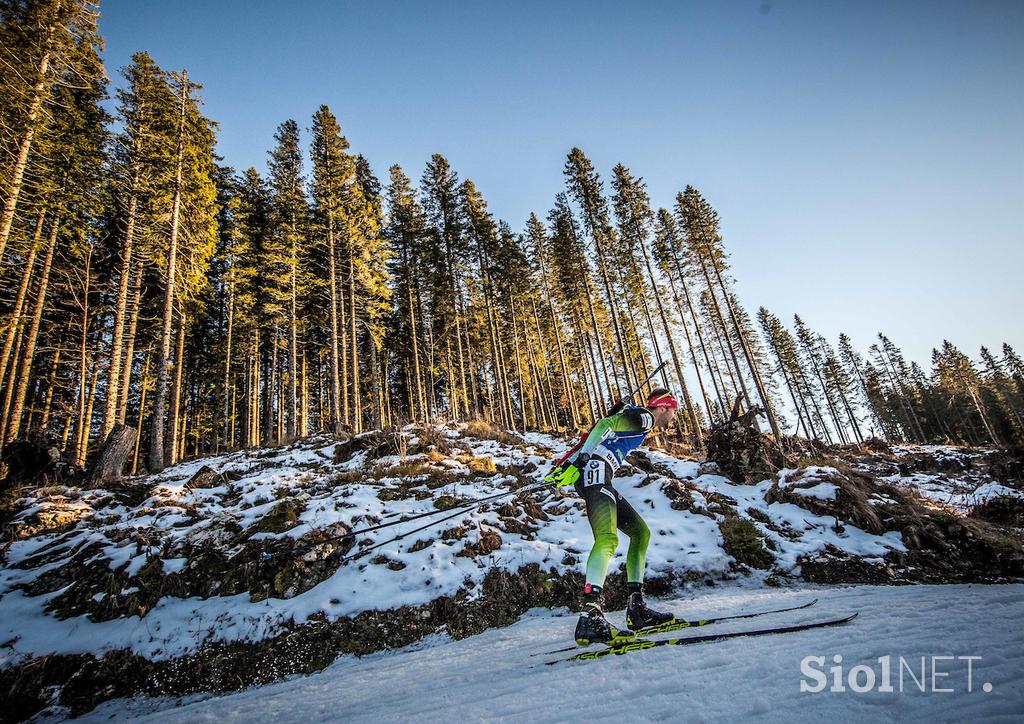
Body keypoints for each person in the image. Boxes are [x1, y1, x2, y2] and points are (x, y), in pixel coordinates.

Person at [546, 388, 680, 644]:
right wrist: (585, 455)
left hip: (597, 475)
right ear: (663, 407)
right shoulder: (645, 418)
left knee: (640, 533)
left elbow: (607, 426)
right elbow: (606, 424)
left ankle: (636, 608)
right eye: (673, 410)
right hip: (595, 472)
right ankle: (590, 615)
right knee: (608, 539)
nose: (673, 416)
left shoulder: (639, 419)